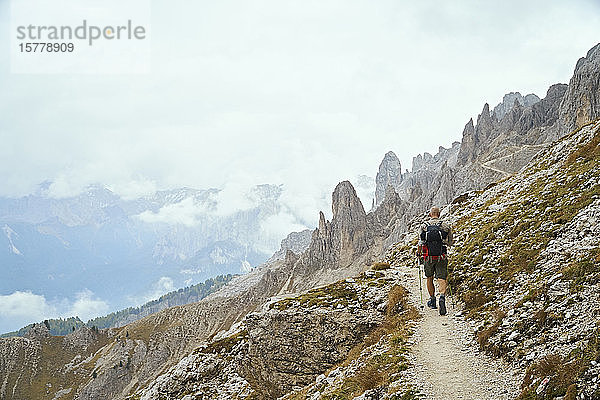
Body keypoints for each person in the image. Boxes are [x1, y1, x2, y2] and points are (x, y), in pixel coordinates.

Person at [417, 206, 454, 316]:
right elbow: (450, 242)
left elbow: (421, 242)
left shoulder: (424, 226)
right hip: (441, 256)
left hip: (428, 257)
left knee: (429, 277)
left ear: (430, 214)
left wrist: (419, 253)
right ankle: (442, 296)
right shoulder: (445, 225)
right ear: (439, 214)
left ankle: (432, 300)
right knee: (441, 277)